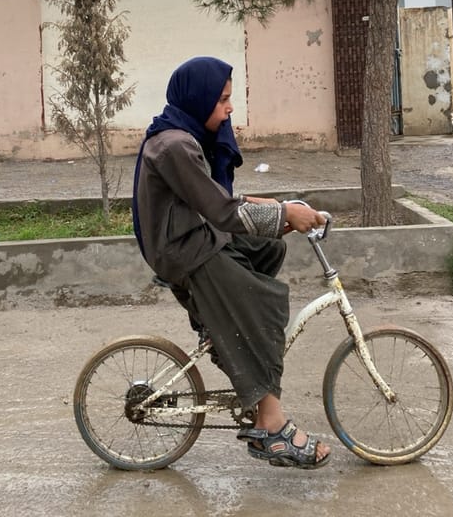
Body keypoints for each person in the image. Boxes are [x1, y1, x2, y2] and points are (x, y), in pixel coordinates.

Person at [132, 55, 330, 469]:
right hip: (185, 250)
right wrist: (283, 214)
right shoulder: (174, 146)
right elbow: (223, 211)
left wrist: (278, 210)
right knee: (264, 305)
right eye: (222, 100)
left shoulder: (183, 134)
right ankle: (272, 428)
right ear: (199, 98)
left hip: (196, 234)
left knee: (269, 248)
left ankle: (224, 324)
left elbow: (217, 199)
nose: (229, 108)